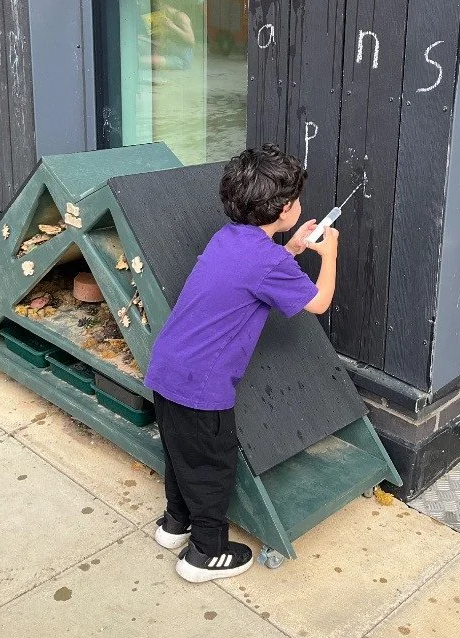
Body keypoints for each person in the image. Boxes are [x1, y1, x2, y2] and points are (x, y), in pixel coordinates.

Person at [144, 144, 339, 582]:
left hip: (169, 368)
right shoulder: (267, 260)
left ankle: (174, 524)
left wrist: (291, 248)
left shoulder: (231, 238)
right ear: (285, 208)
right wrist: (328, 255)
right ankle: (205, 554)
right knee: (212, 467)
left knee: (180, 455)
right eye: (298, 200)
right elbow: (320, 302)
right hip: (203, 387)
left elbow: (258, 272)